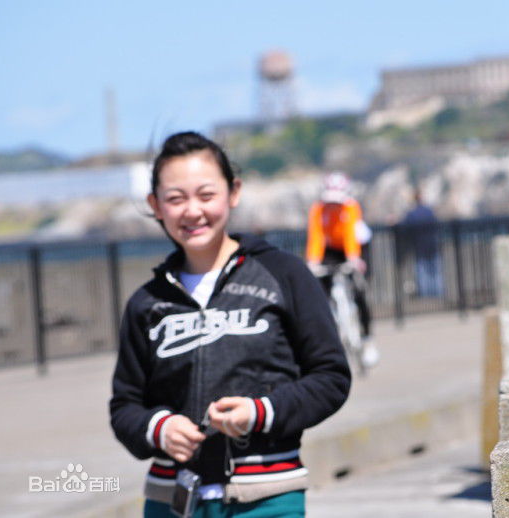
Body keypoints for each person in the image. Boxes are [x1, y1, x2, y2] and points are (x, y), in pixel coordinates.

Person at [109, 131, 350, 517]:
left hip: (268, 497)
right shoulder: (146, 303)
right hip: (171, 499)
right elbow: (125, 407)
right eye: (175, 198)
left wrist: (260, 412)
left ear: (233, 192)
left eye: (206, 195)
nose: (192, 211)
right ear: (155, 205)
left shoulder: (283, 275)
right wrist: (160, 428)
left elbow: (331, 377)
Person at [305, 172, 378, 368]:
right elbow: (316, 237)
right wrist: (312, 261)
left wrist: (354, 259)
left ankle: (367, 339)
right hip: (330, 249)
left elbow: (350, 235)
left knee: (359, 291)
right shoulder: (318, 209)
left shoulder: (351, 207)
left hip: (353, 248)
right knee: (321, 292)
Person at [401, 188, 443, 297]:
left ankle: (427, 298)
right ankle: (438, 296)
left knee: (423, 273)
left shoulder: (412, 214)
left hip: (420, 247)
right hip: (433, 245)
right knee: (436, 273)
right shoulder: (429, 212)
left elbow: (405, 227)